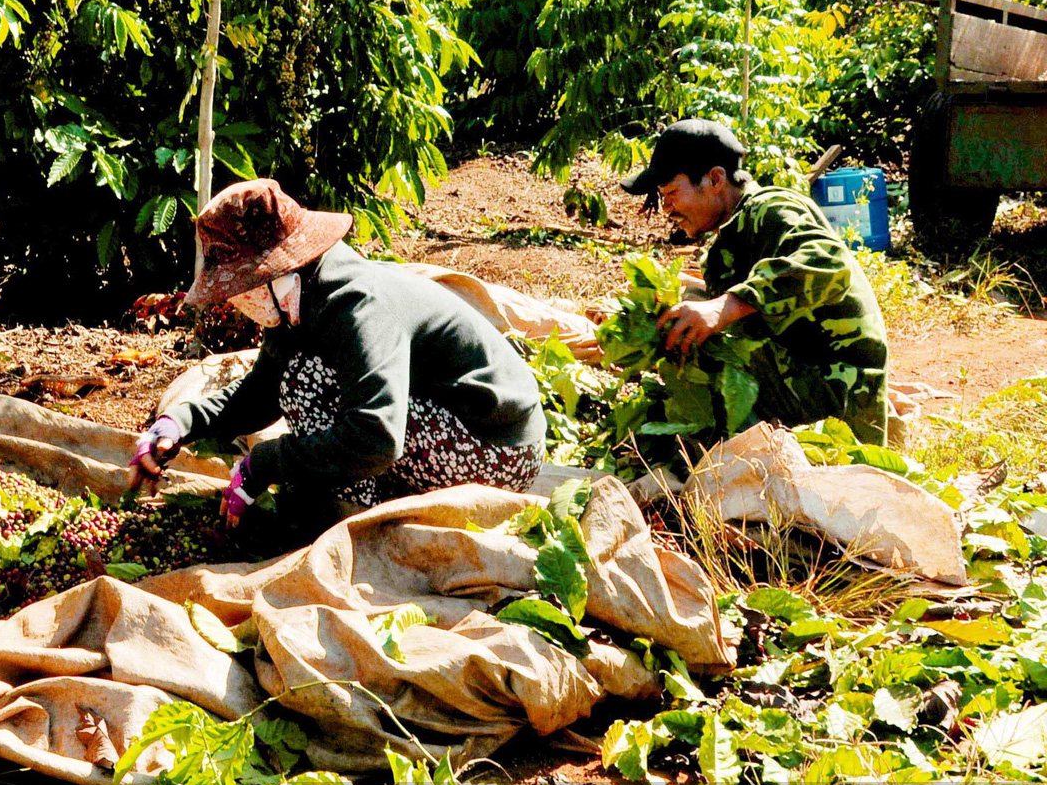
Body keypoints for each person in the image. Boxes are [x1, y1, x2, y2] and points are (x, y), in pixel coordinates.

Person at [127, 179, 546, 535]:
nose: (238, 302)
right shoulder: (298, 301)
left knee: (306, 380)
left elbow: (377, 438)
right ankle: (349, 497)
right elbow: (259, 394)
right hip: (442, 429)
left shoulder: (358, 307)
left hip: (496, 451)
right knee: (296, 376)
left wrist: (266, 464)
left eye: (242, 289)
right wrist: (176, 424)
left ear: (278, 274)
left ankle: (343, 518)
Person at [624, 118, 890, 444]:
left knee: (706, 342)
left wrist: (726, 306)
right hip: (804, 385)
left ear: (716, 179)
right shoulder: (727, 241)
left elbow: (829, 263)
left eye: (672, 193)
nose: (668, 209)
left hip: (839, 401)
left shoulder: (772, 208)